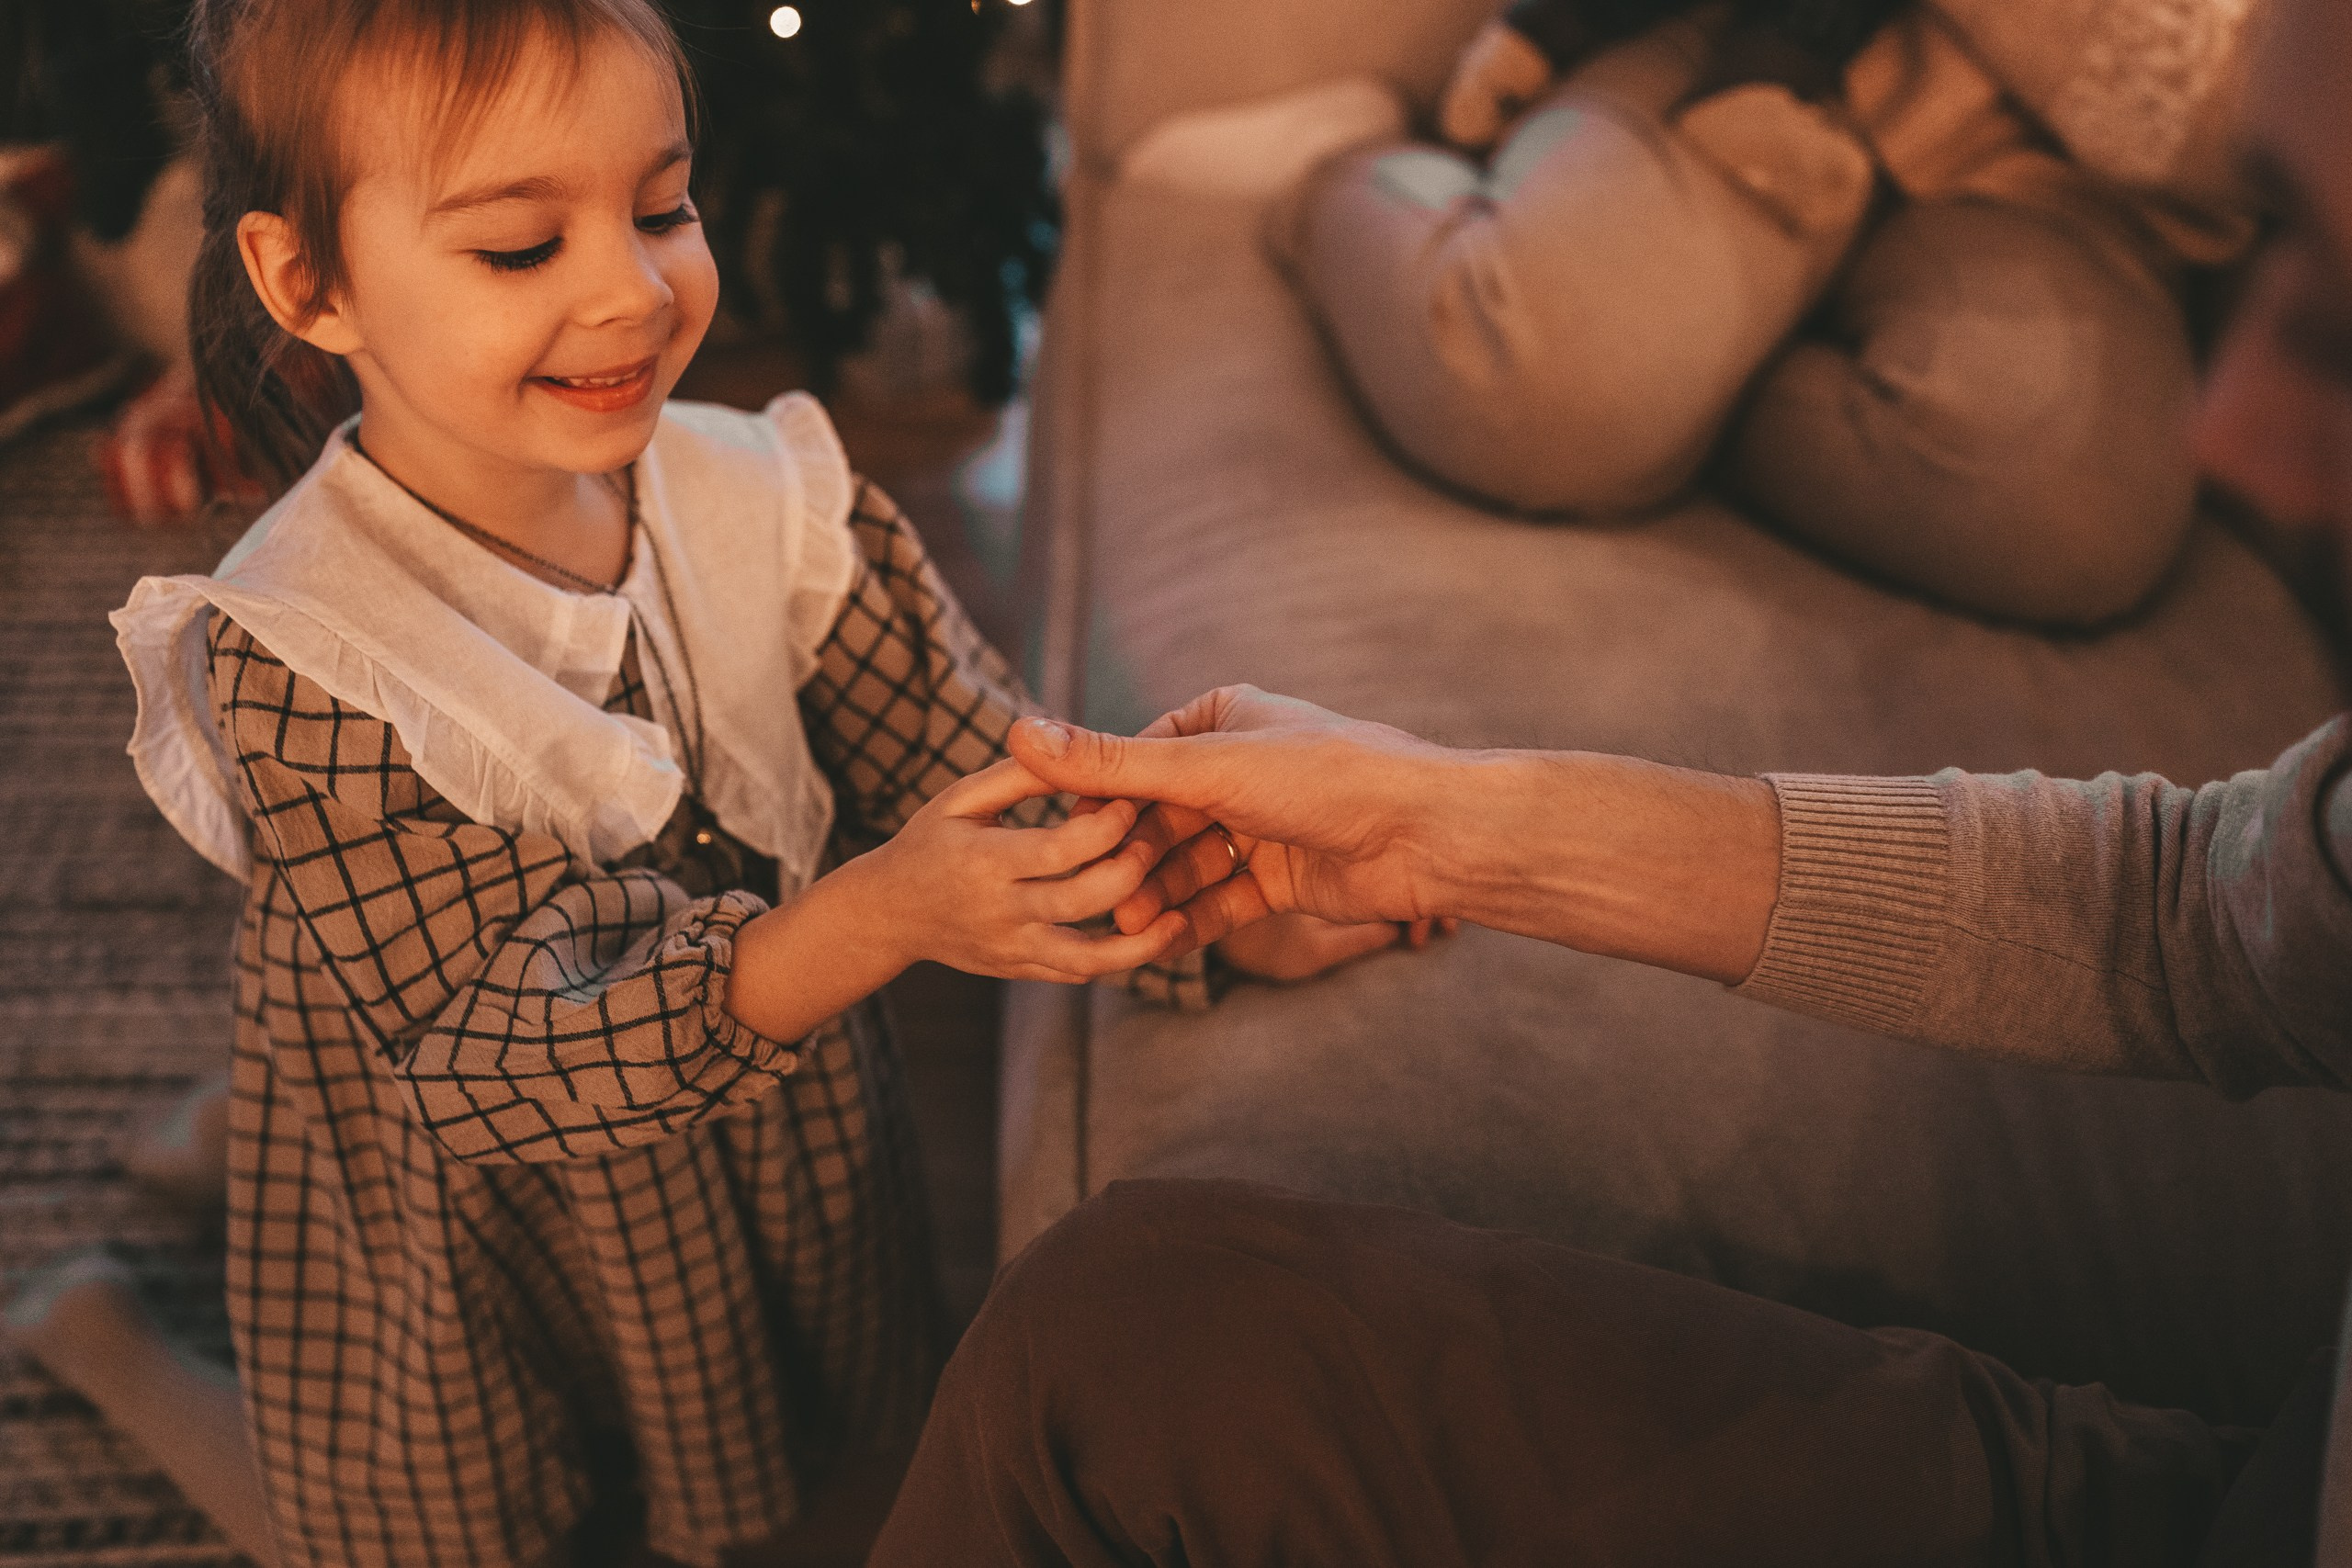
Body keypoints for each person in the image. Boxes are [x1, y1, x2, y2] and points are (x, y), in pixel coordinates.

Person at [861, 0, 2352, 1556]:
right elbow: (2191, 921)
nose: (2244, 434)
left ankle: (1659, 362)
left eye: (2337, 326)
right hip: (1761, 62)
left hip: (2012, 181)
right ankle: (1370, 194)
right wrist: (1452, 820)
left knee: (2062, 493)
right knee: (1554, 369)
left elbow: (2198, 117)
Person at [77, 2, 1444, 1564]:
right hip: (479, 1197)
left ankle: (231, 1130)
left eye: (663, 206)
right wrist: (872, 916)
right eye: (522, 246)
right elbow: (486, 1051)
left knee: (794, 1461)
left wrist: (1215, 913)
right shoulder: (299, 656)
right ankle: (112, 1337)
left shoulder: (775, 499)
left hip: (747, 1158)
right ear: (309, 283)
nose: (632, 287)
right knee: (430, 1527)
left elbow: (966, 750)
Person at [1278, 0, 2259, 626]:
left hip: (2072, 187)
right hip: (1761, 50)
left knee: (2071, 530)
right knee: (1531, 382)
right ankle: (1349, 181)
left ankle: (1700, 378)